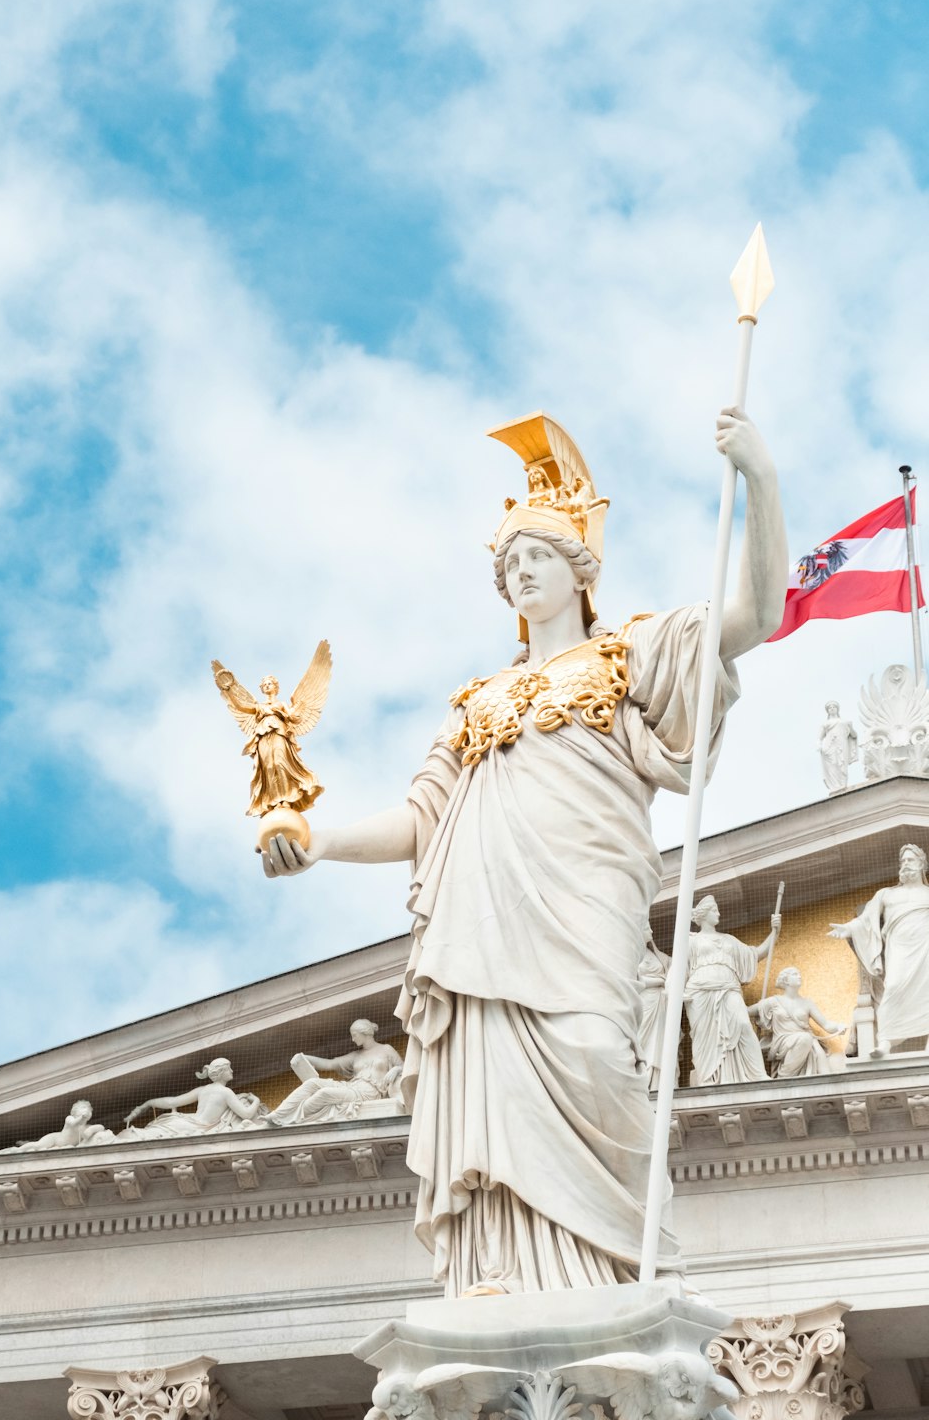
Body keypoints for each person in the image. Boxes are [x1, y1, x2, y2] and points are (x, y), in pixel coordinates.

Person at [263, 406, 786, 1296]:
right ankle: (501, 1271)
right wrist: (318, 841)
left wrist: (761, 480)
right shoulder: (476, 703)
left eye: (536, 555)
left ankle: (620, 1275)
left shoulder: (630, 657)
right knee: (490, 1095)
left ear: (581, 570)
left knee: (592, 1058)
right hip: (481, 928)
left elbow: (755, 614)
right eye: (508, 564)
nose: (520, 573)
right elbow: (419, 819)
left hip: (581, 908)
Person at [829, 843, 929, 1056]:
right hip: (900, 950)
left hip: (925, 948)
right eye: (902, 861)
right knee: (892, 988)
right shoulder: (887, 895)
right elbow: (865, 920)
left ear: (922, 864)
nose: (905, 865)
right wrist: (848, 928)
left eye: (910, 860)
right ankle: (885, 1042)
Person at [684, 895, 778, 1086]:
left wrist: (775, 932)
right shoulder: (690, 940)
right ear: (703, 915)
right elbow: (678, 970)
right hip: (700, 992)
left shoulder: (729, 940)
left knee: (743, 1024)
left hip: (729, 988)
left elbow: (757, 953)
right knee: (704, 1035)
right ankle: (708, 1078)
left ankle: (756, 1074)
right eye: (714, 910)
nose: (718, 913)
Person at [265, 1018, 403, 1127]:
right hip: (352, 1087)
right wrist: (304, 1057)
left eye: (354, 1035)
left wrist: (396, 1069)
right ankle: (278, 1114)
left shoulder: (386, 1049)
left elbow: (407, 1069)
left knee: (324, 1093)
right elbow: (329, 1063)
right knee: (312, 1083)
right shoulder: (356, 1055)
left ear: (364, 1032)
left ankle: (290, 1119)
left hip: (367, 1093)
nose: (353, 1039)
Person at [120, 1057, 266, 1138]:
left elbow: (173, 1101)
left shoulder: (202, 1090)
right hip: (197, 1127)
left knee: (149, 1135)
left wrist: (147, 1104)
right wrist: (256, 1100)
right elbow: (247, 1114)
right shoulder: (226, 1092)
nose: (232, 1071)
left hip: (183, 1121)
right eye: (229, 1068)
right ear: (222, 1072)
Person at [746, 967, 845, 1077]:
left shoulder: (807, 1003)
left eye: (799, 974)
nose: (799, 976)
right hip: (783, 1041)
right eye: (794, 974)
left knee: (816, 1051)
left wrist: (839, 1027)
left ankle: (787, 1078)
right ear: (786, 980)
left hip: (806, 1040)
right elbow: (747, 1011)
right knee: (806, 1039)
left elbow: (826, 1025)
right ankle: (784, 1077)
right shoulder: (773, 1002)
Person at [0, 1099, 116, 1157]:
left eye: (88, 1109)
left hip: (66, 1144)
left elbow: (92, 1131)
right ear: (75, 1111)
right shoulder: (70, 1119)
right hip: (56, 1140)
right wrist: (81, 1118)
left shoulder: (88, 1127)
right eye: (82, 1108)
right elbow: (74, 1124)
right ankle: (12, 1152)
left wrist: (95, 1127)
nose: (85, 1110)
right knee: (36, 1146)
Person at [637, 923, 671, 1091]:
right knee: (641, 1037)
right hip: (644, 1001)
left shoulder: (654, 953)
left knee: (659, 1041)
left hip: (659, 1002)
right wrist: (660, 981)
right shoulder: (632, 954)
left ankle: (655, 1082)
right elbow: (636, 981)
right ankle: (639, 1077)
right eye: (647, 928)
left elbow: (671, 965)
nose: (651, 930)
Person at [818, 701, 857, 794]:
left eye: (833, 707)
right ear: (827, 711)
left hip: (841, 744)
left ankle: (841, 785)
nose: (831, 708)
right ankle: (834, 786)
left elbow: (854, 735)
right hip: (828, 746)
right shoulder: (825, 724)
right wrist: (819, 746)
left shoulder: (845, 722)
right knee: (832, 765)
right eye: (829, 708)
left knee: (842, 764)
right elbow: (819, 737)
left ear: (837, 709)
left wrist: (851, 727)